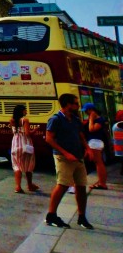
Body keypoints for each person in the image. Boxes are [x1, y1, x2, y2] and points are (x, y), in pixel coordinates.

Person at [45, 93, 93, 229]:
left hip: (78, 157)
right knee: (63, 184)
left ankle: (82, 217)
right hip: (63, 158)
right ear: (68, 105)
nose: (78, 106)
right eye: (76, 103)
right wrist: (66, 153)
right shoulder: (56, 119)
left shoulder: (75, 119)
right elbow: (49, 138)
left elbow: (80, 135)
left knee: (81, 186)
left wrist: (87, 148)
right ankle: (51, 215)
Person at [9, 104, 39, 193]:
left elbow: (14, 132)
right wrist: (35, 130)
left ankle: (18, 187)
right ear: (21, 111)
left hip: (15, 144)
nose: (26, 111)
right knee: (28, 164)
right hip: (25, 144)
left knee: (17, 165)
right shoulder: (25, 120)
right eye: (25, 110)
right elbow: (27, 133)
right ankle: (30, 185)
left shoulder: (11, 120)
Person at [82, 103, 109, 190]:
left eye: (86, 111)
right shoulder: (97, 119)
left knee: (99, 163)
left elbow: (91, 129)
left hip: (95, 143)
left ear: (91, 110)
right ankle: (101, 181)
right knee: (96, 162)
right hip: (94, 142)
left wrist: (91, 119)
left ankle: (102, 183)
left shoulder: (99, 120)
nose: (86, 113)